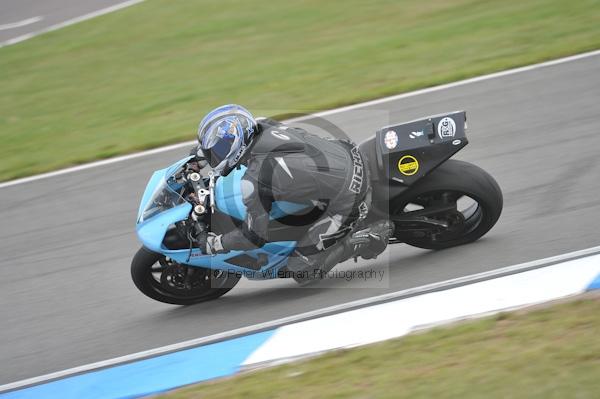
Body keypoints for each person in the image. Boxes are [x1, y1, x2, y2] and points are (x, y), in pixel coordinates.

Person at [193, 104, 392, 284]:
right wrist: (199, 156)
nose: (215, 156)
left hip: (350, 196)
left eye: (218, 150)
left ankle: (370, 237)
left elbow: (253, 237)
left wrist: (215, 244)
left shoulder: (255, 180)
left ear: (237, 144)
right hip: (347, 152)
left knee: (302, 269)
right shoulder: (262, 124)